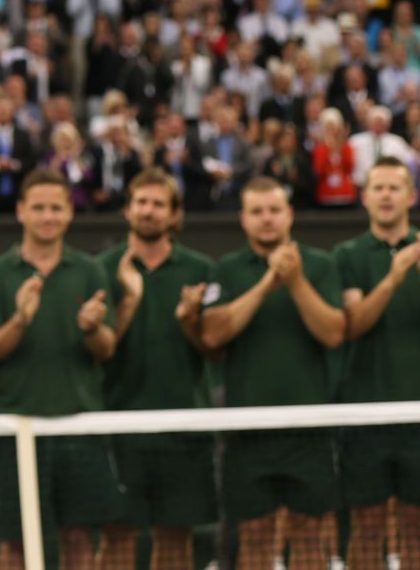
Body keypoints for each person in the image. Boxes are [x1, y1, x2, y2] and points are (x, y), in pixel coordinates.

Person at [0, 168, 127, 570]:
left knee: (78, 540)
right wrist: (20, 320)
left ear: (69, 214)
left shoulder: (90, 271)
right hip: (17, 431)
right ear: (21, 211)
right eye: (38, 208)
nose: (47, 216)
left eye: (56, 208)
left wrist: (92, 329)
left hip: (79, 427)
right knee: (15, 545)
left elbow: (107, 349)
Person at [201, 177, 347, 570]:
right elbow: (212, 333)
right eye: (257, 212)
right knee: (255, 536)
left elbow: (334, 332)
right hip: (247, 432)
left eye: (274, 211)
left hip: (310, 430)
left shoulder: (320, 264)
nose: (267, 220)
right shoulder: (227, 269)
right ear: (243, 220)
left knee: (309, 535)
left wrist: (295, 280)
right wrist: (268, 281)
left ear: (290, 215)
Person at [94, 169, 215, 570]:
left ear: (175, 216)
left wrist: (190, 321)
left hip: (183, 424)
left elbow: (214, 349)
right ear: (127, 210)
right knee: (117, 536)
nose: (149, 211)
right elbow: (98, 350)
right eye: (141, 203)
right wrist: (129, 298)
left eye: (158, 204)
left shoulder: (201, 269)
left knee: (175, 536)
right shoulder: (100, 269)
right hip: (117, 425)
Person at [332, 157, 420, 570]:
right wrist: (395, 275)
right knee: (366, 527)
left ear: (411, 195)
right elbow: (353, 325)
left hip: (417, 416)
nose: (386, 195)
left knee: (416, 526)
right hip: (364, 412)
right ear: (365, 197)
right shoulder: (347, 255)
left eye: (394, 187)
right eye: (378, 188)